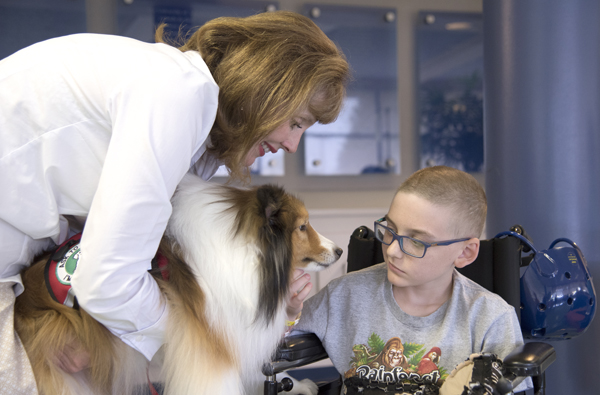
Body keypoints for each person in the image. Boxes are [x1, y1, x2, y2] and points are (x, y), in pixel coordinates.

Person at [0, 11, 349, 393]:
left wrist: (256, 309)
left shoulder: (193, 126)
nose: (292, 145)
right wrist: (207, 334)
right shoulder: (177, 96)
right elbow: (109, 280)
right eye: (296, 123)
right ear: (266, 88)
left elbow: (152, 263)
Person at [286, 166, 531, 394]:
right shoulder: (343, 296)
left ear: (465, 253)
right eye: (390, 230)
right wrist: (287, 312)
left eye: (416, 240)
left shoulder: (491, 318)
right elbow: (264, 341)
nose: (392, 250)